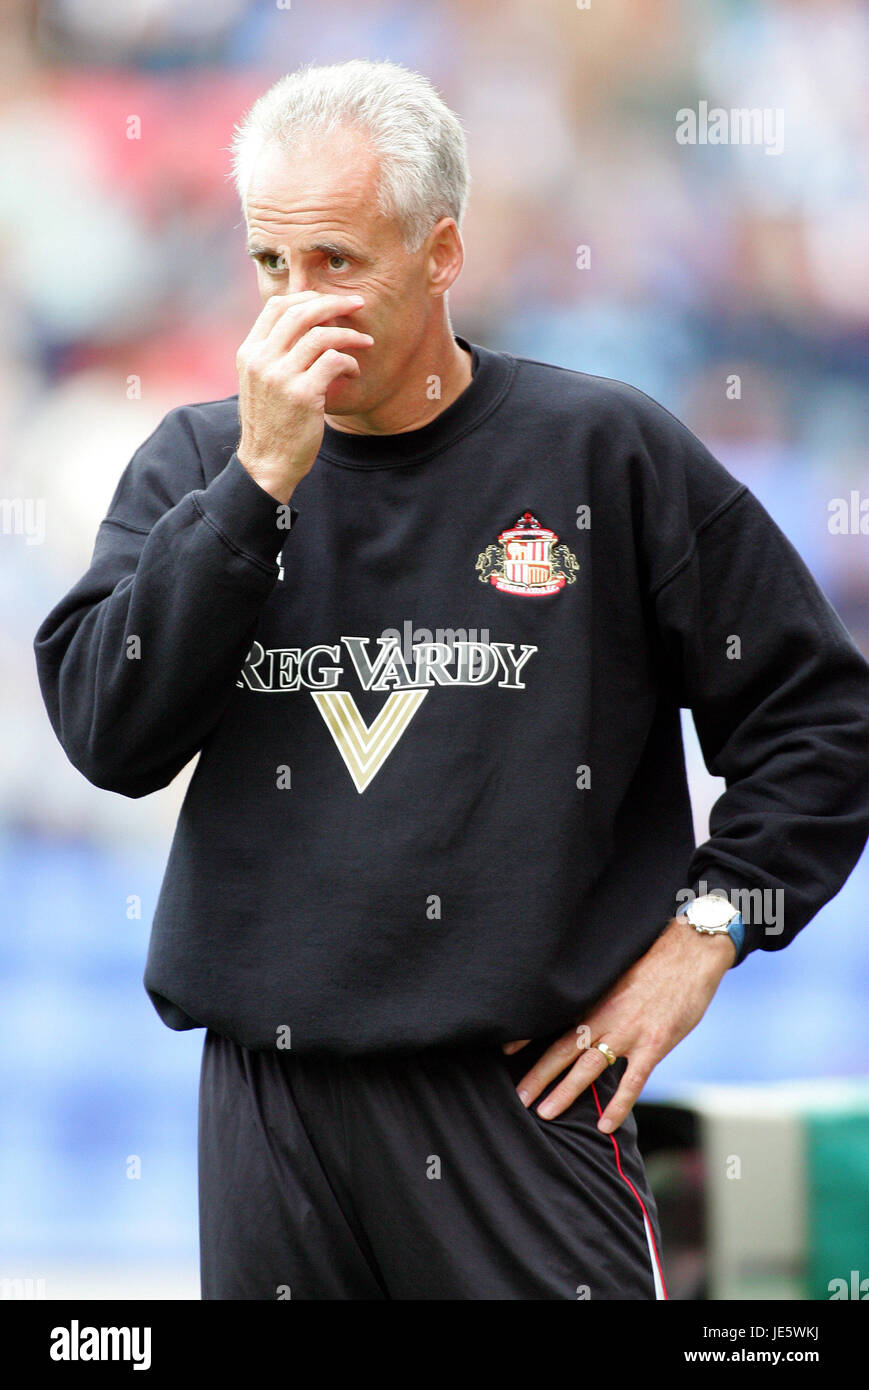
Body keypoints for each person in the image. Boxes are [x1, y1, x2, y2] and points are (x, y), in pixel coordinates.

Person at [33, 59, 869, 1301]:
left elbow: (821, 720)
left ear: (439, 252)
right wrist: (254, 490)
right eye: (271, 265)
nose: (296, 306)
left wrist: (709, 930)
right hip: (270, 1105)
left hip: (524, 1098)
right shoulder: (198, 463)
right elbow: (109, 730)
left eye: (336, 263)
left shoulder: (604, 450)